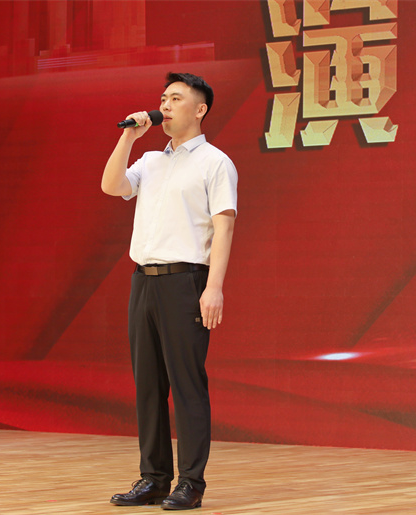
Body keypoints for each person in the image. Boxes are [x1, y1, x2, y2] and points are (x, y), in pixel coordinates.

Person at [101, 72, 237, 511]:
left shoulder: (215, 162)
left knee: (187, 384)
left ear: (200, 109)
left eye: (176, 98)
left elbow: (224, 227)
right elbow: (111, 186)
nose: (165, 105)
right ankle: (154, 479)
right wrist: (129, 137)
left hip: (186, 281)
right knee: (148, 386)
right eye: (163, 98)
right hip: (143, 280)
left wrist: (214, 287)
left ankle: (190, 483)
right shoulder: (150, 161)